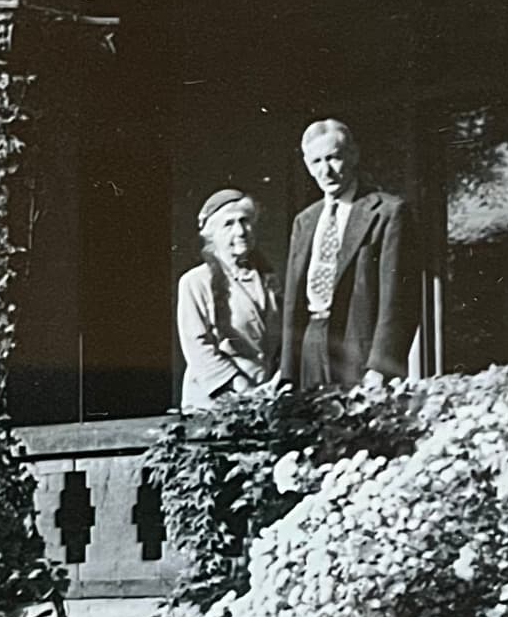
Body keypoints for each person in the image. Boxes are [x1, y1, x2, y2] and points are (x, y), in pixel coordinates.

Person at [278, 119, 419, 389]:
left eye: (333, 158)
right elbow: (293, 305)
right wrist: (288, 372)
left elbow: (399, 301)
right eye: (316, 162)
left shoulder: (388, 213)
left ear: (354, 155)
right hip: (312, 346)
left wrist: (381, 367)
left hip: (359, 348)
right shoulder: (305, 221)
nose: (325, 171)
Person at [178, 189, 281, 408]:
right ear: (211, 235)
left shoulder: (267, 279)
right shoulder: (195, 282)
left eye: (245, 221)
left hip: (265, 399)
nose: (240, 231)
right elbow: (198, 348)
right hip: (217, 403)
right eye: (229, 224)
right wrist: (242, 387)